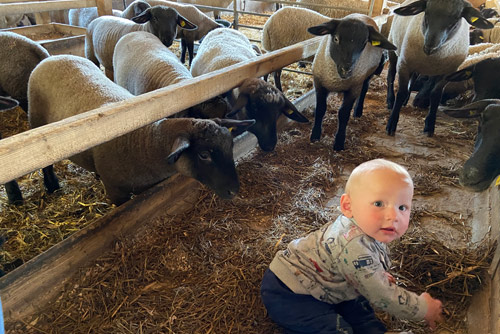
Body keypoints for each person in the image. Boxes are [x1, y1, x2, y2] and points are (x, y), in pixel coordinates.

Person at [260, 158, 443, 334]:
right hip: (290, 292)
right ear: (348, 206)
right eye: (379, 204)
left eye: (402, 207)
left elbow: (361, 267)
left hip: (326, 284)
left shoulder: (368, 228)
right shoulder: (354, 245)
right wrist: (422, 308)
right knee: (335, 329)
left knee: (359, 306)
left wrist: (376, 274)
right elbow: (382, 296)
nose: (394, 216)